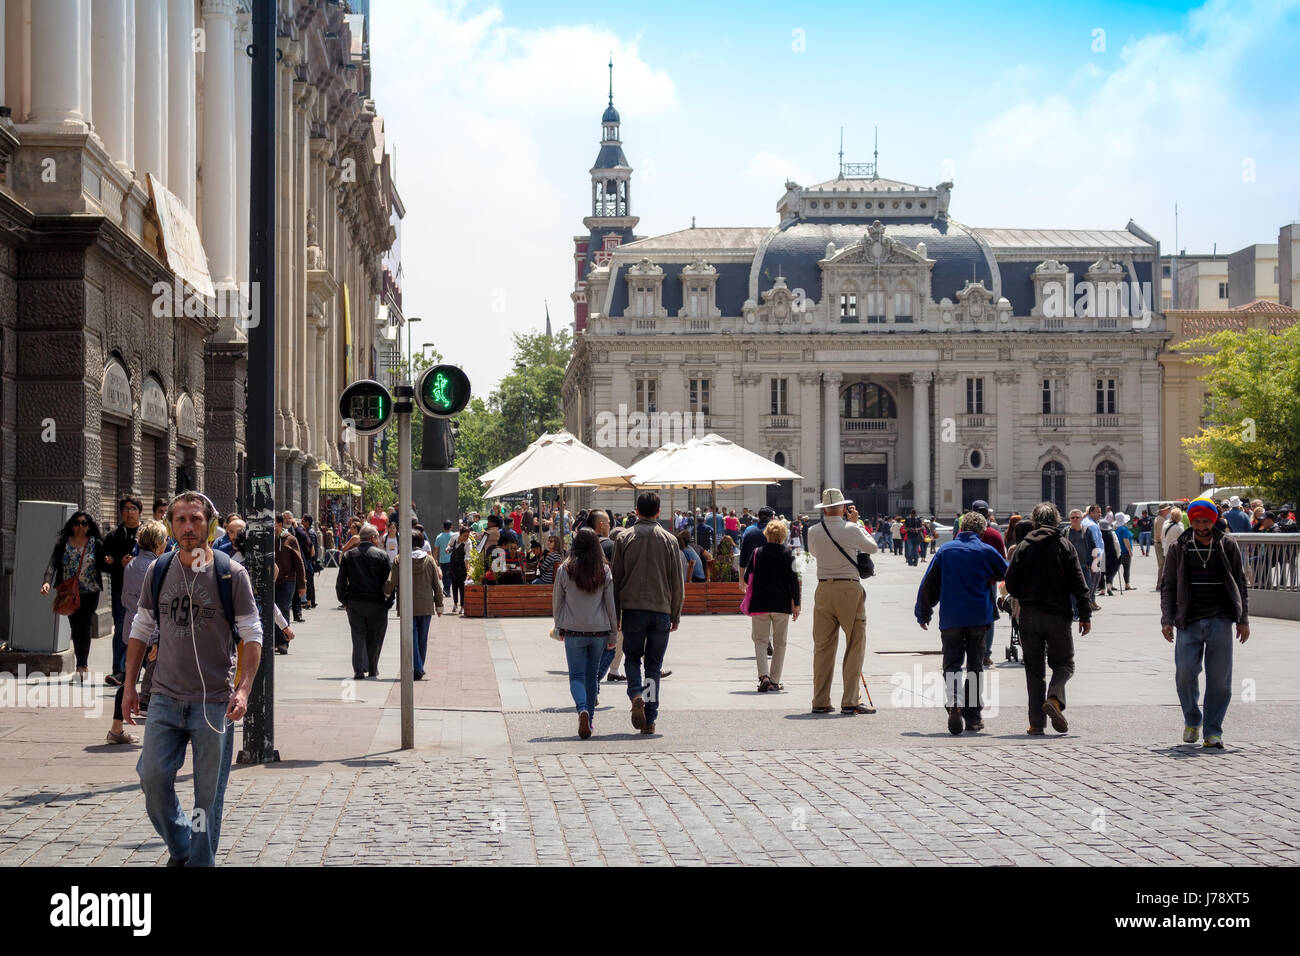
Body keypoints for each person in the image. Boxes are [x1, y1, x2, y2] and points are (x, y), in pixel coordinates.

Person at [123, 492, 263, 867]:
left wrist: (244, 689)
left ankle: (200, 862)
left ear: (210, 525)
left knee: (207, 797)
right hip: (165, 699)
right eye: (181, 520)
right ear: (170, 525)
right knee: (152, 780)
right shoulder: (160, 570)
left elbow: (253, 634)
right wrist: (129, 686)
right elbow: (142, 626)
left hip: (213, 703)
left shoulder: (230, 573)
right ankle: (184, 846)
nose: (188, 527)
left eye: (196, 519)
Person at [1161, 497, 1249, 749]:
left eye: (1206, 521)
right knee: (1185, 671)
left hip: (1220, 618)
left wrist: (1243, 619)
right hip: (1188, 620)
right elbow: (1168, 585)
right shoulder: (1180, 546)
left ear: (1213, 521)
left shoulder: (1227, 545)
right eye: (1197, 521)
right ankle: (1192, 719)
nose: (1201, 526)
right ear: (1191, 520)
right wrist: (1167, 619)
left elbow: (1240, 583)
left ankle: (1213, 730)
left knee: (1220, 678)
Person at [914, 511, 1009, 735]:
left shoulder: (946, 551)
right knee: (975, 665)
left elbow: (929, 584)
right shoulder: (987, 551)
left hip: (952, 618)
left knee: (952, 664)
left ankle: (954, 702)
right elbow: (1007, 574)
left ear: (960, 528)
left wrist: (923, 613)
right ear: (982, 531)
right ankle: (974, 717)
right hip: (979, 618)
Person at [1005, 503, 1092, 735]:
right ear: (1056, 521)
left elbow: (1010, 583)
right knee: (1064, 663)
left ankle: (1036, 724)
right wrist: (1085, 615)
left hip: (1030, 616)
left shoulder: (1023, 547)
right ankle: (1054, 698)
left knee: (1034, 670)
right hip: (1058, 615)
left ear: (1034, 521)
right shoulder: (1065, 545)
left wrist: (1025, 592)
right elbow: (1079, 584)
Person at [610, 491, 684, 736]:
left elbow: (616, 578)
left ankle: (636, 694)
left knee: (631, 657)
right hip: (661, 609)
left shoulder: (624, 537)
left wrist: (615, 613)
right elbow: (677, 582)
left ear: (636, 511)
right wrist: (676, 614)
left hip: (631, 609)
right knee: (653, 666)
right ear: (658, 512)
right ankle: (650, 719)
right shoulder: (669, 539)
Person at [804, 489, 879, 715]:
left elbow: (815, 554)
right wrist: (856, 524)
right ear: (843, 508)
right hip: (848, 588)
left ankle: (820, 700)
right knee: (855, 642)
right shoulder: (851, 528)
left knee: (823, 647)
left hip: (824, 588)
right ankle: (850, 700)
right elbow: (872, 547)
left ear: (824, 509)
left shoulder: (813, 531)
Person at [553, 528, 618, 739]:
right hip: (599, 630)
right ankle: (589, 720)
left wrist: (559, 625)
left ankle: (581, 708)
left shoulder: (565, 569)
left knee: (576, 676)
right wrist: (613, 635)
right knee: (592, 677)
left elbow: (557, 603)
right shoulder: (604, 570)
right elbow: (610, 605)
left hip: (573, 629)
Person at [114, 519, 171, 741]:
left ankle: (117, 728)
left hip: (132, 628)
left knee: (132, 677)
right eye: (165, 539)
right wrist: (157, 639)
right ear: (158, 543)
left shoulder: (132, 564)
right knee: (158, 679)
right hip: (148, 633)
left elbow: (127, 598)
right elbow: (153, 606)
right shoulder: (156, 567)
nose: (167, 543)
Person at [41, 510, 110, 683]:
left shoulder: (96, 543)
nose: (80, 526)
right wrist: (47, 582)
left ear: (89, 526)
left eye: (84, 523)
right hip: (68, 592)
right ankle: (81, 664)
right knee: (75, 627)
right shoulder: (63, 542)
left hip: (90, 591)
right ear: (72, 525)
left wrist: (111, 562)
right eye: (77, 523)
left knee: (84, 627)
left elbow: (104, 565)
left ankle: (82, 666)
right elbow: (53, 563)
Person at [743, 517, 800, 693]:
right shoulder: (789, 555)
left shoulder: (756, 553)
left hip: (760, 603)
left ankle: (763, 677)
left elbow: (746, 578)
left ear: (766, 534)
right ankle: (775, 681)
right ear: (783, 536)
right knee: (780, 643)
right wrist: (796, 604)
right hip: (781, 604)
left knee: (760, 641)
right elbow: (794, 581)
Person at [384, 530, 444, 681]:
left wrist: (386, 592)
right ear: (422, 543)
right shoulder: (429, 560)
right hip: (425, 605)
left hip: (407, 605)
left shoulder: (400, 559)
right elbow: (436, 585)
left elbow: (391, 582)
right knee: (422, 638)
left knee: (411, 637)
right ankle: (419, 667)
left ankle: (417, 667)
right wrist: (439, 605)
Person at [336, 524, 394, 679]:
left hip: (355, 602)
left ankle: (359, 670)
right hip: (377, 603)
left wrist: (345, 600)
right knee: (376, 637)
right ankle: (373, 668)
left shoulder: (349, 555)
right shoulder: (382, 556)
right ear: (373, 538)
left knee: (357, 636)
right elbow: (390, 581)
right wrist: (389, 601)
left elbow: (340, 582)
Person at [102, 495, 144, 686]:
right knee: (121, 628)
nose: (129, 512)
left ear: (140, 511)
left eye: (133, 508)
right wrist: (118, 564)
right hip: (121, 590)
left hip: (146, 591)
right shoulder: (114, 535)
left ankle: (143, 667)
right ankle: (119, 670)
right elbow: (104, 562)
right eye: (125, 508)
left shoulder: (147, 533)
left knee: (146, 629)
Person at [273, 515, 307, 653]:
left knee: (283, 608)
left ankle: (283, 642)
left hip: (288, 580)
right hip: (272, 581)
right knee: (272, 609)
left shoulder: (290, 539)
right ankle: (274, 640)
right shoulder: (267, 539)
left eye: (273, 522)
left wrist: (302, 584)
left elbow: (299, 562)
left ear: (280, 524)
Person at [448, 526, 471, 614]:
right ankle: (455, 603)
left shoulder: (468, 543)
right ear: (460, 534)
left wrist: (468, 571)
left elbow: (467, 558)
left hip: (462, 566)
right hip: (453, 564)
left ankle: (462, 606)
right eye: (464, 536)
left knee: (461, 586)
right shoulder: (454, 536)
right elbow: (449, 545)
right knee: (454, 585)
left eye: (468, 536)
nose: (466, 538)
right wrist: (448, 548)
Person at [300, 515, 319, 609]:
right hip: (309, 561)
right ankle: (311, 601)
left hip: (309, 561)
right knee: (309, 582)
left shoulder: (310, 533)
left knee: (309, 582)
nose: (301, 522)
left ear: (307, 522)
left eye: (303, 521)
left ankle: (310, 602)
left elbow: (311, 548)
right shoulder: (309, 532)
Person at [1114, 513, 1136, 590]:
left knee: (1115, 568)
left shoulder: (1116, 529)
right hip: (1125, 551)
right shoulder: (1124, 529)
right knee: (1126, 568)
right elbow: (1126, 540)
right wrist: (1130, 550)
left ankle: (1110, 583)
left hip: (1117, 551)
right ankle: (1127, 584)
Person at [1153, 502, 1172, 587]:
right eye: (1168, 509)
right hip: (1160, 544)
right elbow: (1159, 535)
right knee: (1162, 565)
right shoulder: (1161, 520)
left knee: (1162, 565)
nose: (1169, 510)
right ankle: (1160, 584)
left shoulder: (1160, 518)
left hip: (1159, 544)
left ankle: (1160, 583)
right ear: (1163, 510)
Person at [434, 520, 455, 599]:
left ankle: (446, 590)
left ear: (443, 527)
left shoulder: (439, 536)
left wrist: (435, 559)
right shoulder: (454, 535)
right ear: (451, 527)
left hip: (442, 560)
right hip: (451, 559)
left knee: (445, 575)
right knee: (449, 575)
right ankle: (447, 590)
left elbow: (436, 549)